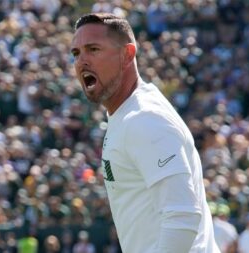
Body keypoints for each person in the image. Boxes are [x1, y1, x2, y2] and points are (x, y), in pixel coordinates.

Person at [70, 13, 220, 253]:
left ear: (127, 54)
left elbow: (183, 217)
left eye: (93, 49)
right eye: (76, 53)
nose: (81, 61)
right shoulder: (127, 113)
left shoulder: (144, 118)